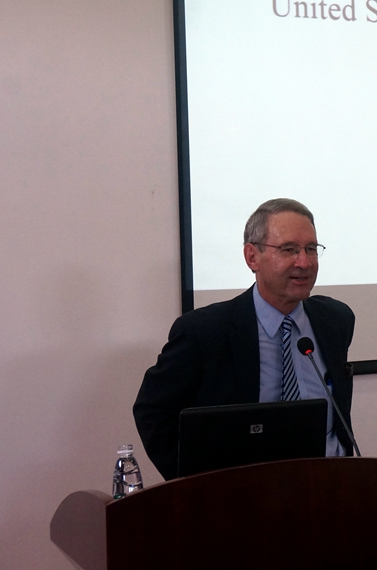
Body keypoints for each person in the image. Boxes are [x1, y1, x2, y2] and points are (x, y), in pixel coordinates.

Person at [133, 198, 356, 480]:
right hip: (243, 492)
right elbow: (153, 411)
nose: (304, 262)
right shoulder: (204, 332)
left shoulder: (335, 320)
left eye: (311, 249)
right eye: (289, 249)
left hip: (328, 484)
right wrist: (192, 482)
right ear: (252, 257)